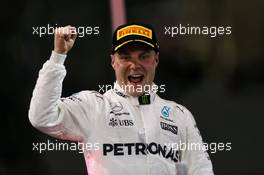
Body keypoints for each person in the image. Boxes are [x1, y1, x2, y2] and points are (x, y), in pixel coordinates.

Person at [29, 23, 214, 175]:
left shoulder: (179, 115)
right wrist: (57, 57)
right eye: (125, 57)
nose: (135, 65)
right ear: (113, 62)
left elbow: (201, 171)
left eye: (144, 56)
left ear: (156, 60)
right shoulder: (95, 106)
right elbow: (42, 116)